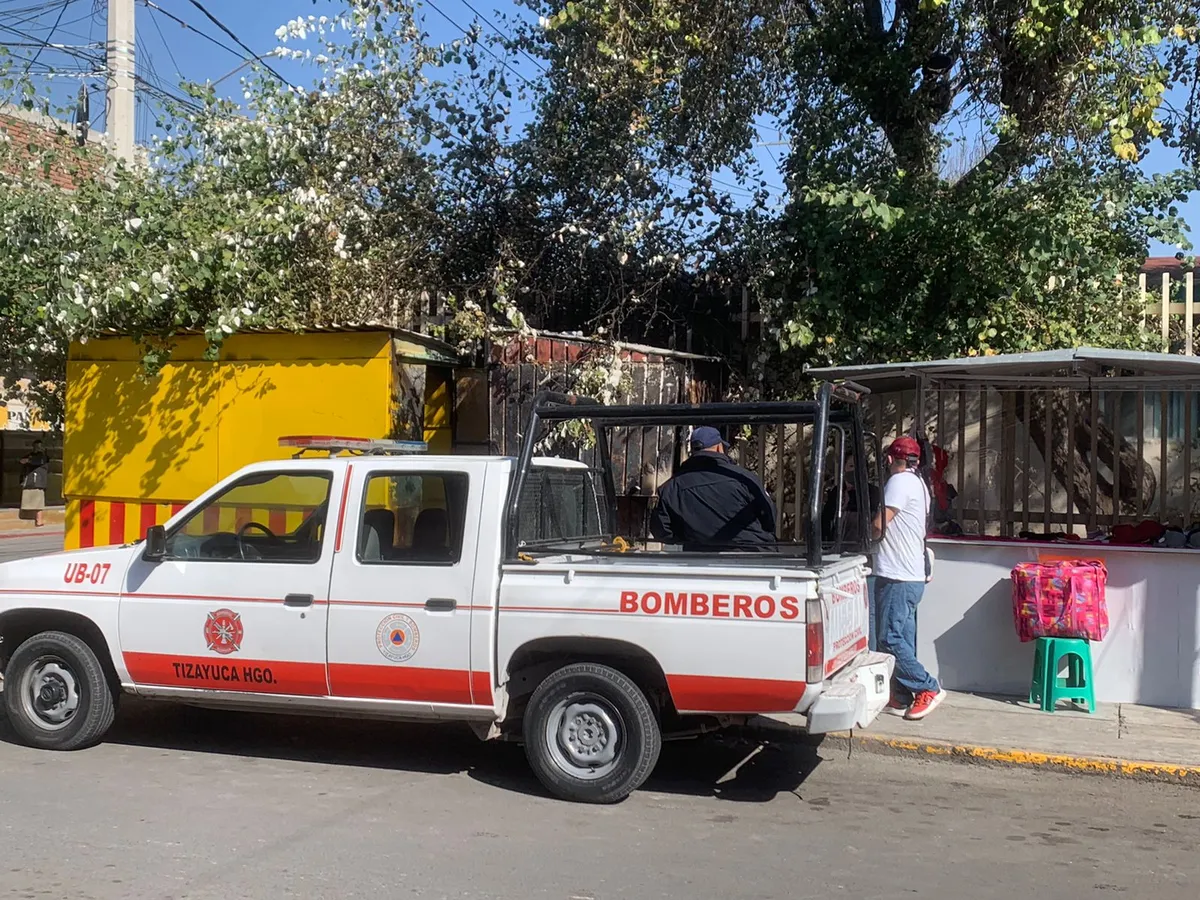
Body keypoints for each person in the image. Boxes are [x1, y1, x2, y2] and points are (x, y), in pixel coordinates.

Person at [873, 435, 945, 720]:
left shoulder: (899, 482)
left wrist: (863, 539)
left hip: (897, 575)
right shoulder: (919, 484)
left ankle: (928, 687)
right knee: (902, 636)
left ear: (891, 459)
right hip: (911, 575)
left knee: (888, 638)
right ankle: (902, 694)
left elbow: (880, 524)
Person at [650, 426, 777, 551]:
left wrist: (692, 538)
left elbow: (662, 531)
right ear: (718, 447)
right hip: (753, 557)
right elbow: (769, 517)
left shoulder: (671, 487)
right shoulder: (744, 478)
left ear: (693, 451)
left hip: (701, 561)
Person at [19, 440, 49, 528]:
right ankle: (32, 519)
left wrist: (28, 460)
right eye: (36, 446)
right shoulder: (31, 455)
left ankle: (39, 520)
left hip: (38, 481)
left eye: (39, 446)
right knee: (28, 499)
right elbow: (21, 461)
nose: (37, 448)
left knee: (39, 502)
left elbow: (36, 461)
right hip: (29, 480)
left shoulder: (43, 457)